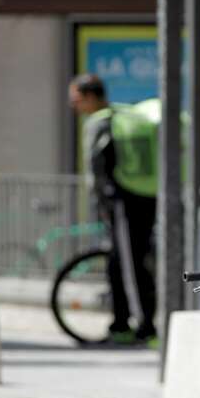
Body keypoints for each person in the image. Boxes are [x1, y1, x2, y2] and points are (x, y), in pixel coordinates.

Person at [69, 74, 158, 346]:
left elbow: (94, 168)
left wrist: (100, 203)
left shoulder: (99, 122)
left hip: (122, 200)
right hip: (143, 195)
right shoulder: (120, 114)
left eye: (77, 99)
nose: (74, 105)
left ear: (91, 96)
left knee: (130, 264)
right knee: (121, 262)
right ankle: (122, 324)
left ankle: (146, 328)